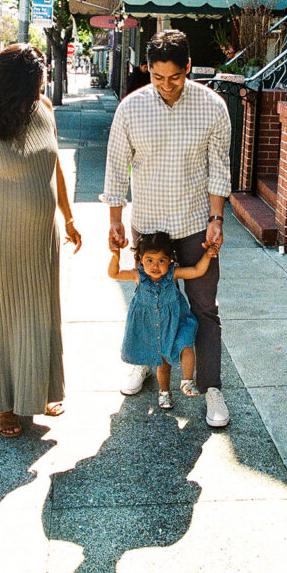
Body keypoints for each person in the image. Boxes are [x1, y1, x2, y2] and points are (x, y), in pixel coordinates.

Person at [101, 29, 232, 427]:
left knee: (204, 307)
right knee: (147, 303)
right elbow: (116, 168)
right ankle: (145, 363)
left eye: (175, 77)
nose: (167, 85)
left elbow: (219, 169)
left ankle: (211, 387)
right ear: (148, 69)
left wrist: (216, 220)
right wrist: (115, 220)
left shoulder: (213, 107)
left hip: (194, 224)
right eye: (158, 77)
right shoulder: (131, 108)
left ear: (188, 67)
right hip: (149, 228)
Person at [0, 43, 82, 438]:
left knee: (43, 315)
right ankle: (7, 404)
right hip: (0, 239)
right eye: (34, 86)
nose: (39, 92)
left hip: (43, 237)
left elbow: (54, 166)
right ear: (13, 85)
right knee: (4, 319)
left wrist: (69, 216)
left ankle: (41, 391)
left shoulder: (43, 109)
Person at [108, 231, 218, 409]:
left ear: (170, 260)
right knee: (163, 364)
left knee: (186, 345)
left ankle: (187, 381)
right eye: (149, 260)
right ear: (141, 258)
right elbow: (114, 273)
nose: (155, 266)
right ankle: (164, 392)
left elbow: (197, 270)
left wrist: (208, 255)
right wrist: (116, 256)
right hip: (155, 327)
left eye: (161, 260)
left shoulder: (172, 274)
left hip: (176, 324)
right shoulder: (138, 276)